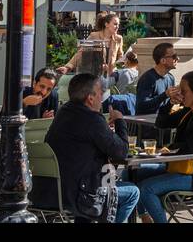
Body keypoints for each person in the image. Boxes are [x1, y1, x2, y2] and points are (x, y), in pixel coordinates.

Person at [40, 72, 139, 223]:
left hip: (54, 192)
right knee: (132, 192)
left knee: (102, 183)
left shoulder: (63, 113)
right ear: (90, 98)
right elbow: (121, 152)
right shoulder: (92, 119)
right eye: (100, 93)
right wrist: (120, 121)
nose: (102, 97)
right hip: (82, 195)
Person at [131, 70, 193, 223]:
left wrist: (168, 149)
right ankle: (144, 216)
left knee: (146, 188)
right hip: (178, 166)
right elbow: (161, 123)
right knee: (131, 175)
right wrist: (169, 103)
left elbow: (192, 147)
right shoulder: (188, 111)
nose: (181, 94)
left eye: (184, 91)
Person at [58, 12, 123, 75]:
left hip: (111, 74)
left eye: (118, 24)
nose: (117, 26)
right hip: (95, 74)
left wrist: (124, 61)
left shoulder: (119, 38)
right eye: (115, 24)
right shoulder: (94, 36)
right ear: (106, 24)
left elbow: (120, 55)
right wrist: (68, 67)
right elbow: (81, 52)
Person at [134, 42, 178, 114]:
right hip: (145, 122)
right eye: (174, 56)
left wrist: (173, 101)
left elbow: (165, 108)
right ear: (163, 60)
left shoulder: (170, 78)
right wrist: (165, 95)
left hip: (161, 121)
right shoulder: (148, 78)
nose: (177, 58)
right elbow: (141, 105)